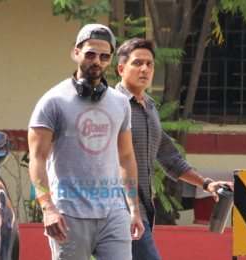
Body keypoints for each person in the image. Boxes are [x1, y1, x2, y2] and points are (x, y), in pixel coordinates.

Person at [28, 24, 144, 260]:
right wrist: (47, 208)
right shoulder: (53, 101)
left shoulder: (120, 103)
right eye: (90, 54)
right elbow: (37, 158)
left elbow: (126, 157)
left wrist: (133, 208)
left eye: (104, 56)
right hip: (69, 213)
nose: (97, 61)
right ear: (77, 53)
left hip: (114, 212)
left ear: (111, 59)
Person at [115, 38, 234, 260]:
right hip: (117, 208)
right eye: (137, 63)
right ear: (121, 69)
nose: (145, 69)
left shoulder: (149, 107)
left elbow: (170, 157)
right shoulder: (111, 105)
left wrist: (207, 184)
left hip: (142, 210)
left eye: (149, 64)